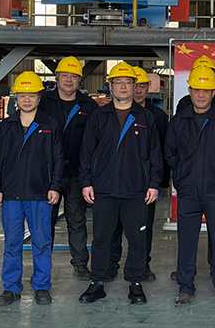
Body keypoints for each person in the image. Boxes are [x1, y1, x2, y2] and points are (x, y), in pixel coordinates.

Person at [78, 62, 163, 305]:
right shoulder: (99, 116)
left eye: (128, 82)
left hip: (136, 189)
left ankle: (135, 282)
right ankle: (97, 282)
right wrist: (86, 182)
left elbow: (155, 154)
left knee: (137, 239)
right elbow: (87, 152)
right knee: (101, 238)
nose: (123, 87)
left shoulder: (145, 117)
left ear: (135, 87)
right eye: (118, 82)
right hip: (104, 188)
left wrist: (154, 183)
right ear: (111, 86)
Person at [166, 65, 215, 307]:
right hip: (188, 191)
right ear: (189, 91)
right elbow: (170, 153)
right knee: (187, 241)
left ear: (213, 92)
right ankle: (185, 287)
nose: (201, 95)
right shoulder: (179, 121)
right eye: (196, 90)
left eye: (206, 90)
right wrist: (182, 176)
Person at [0, 71, 65, 306]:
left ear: (39, 98)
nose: (27, 99)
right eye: (22, 95)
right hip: (11, 195)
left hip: (40, 194)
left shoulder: (50, 125)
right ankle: (11, 288)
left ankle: (42, 286)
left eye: (31, 95)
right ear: (16, 98)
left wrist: (55, 187)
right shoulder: (5, 127)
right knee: (12, 244)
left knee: (41, 243)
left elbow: (59, 160)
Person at [108, 66, 169, 283]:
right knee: (114, 226)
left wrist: (158, 182)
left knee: (144, 228)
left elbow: (160, 151)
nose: (139, 90)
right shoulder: (109, 114)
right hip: (114, 181)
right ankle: (111, 264)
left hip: (144, 183)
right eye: (138, 86)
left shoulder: (156, 116)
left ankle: (143, 265)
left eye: (143, 86)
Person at [39, 56, 98, 281]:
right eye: (65, 76)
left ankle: (80, 265)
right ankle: (43, 267)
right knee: (46, 221)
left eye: (74, 77)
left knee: (76, 220)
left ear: (79, 80)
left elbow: (95, 141)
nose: (69, 80)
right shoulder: (43, 102)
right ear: (57, 77)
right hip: (48, 173)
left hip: (76, 173)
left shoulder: (88, 105)